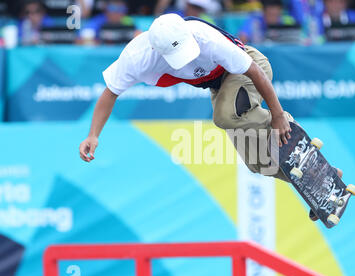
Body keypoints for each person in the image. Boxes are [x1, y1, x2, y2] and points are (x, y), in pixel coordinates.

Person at [79, 13, 295, 182]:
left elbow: (255, 71)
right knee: (257, 161)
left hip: (248, 68)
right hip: (218, 87)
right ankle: (311, 185)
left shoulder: (205, 38)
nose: (185, 61)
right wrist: (93, 135)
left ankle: (288, 124)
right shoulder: (136, 58)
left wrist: (277, 115)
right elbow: (110, 93)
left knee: (224, 117)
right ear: (155, 49)